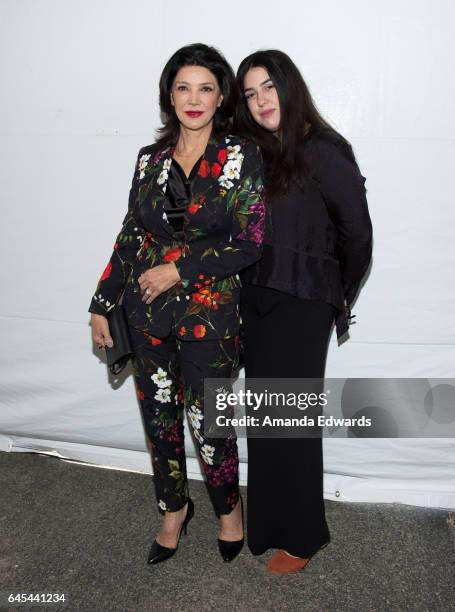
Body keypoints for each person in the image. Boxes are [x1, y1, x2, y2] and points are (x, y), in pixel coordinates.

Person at [89, 43, 265, 565]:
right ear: (170, 95)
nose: (194, 98)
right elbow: (130, 236)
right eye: (183, 87)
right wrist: (101, 302)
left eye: (206, 88)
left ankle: (229, 511)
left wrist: (180, 269)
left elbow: (251, 241)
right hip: (147, 312)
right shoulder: (150, 160)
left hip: (209, 314)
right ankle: (173, 511)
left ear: (221, 97)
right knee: (159, 418)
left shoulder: (241, 156)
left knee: (209, 421)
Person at [235, 50, 372, 574]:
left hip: (304, 302)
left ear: (290, 87)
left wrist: (335, 293)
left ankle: (305, 534)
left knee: (290, 421)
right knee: (266, 417)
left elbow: (358, 235)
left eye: (268, 87)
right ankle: (269, 524)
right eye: (250, 93)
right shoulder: (261, 153)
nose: (260, 100)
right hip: (261, 298)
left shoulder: (326, 149)